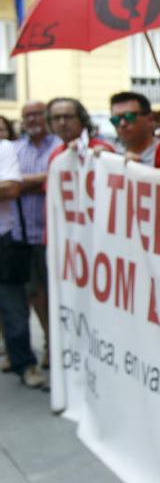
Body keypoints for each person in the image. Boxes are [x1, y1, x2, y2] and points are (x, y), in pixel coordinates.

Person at [12, 102, 62, 370]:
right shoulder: (15, 149)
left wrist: (25, 182)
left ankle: (60, 343)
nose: (32, 119)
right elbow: (11, 183)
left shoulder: (58, 146)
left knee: (58, 292)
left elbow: (60, 175)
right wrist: (43, 178)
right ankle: (49, 343)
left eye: (36, 114)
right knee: (36, 294)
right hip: (25, 235)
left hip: (55, 234)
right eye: (26, 115)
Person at [0, 139, 46, 388]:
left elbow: (10, 189)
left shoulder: (4, 148)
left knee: (13, 307)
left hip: (3, 241)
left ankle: (25, 364)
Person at [46, 97, 116, 165]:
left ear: (82, 119)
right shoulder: (56, 155)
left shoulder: (102, 150)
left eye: (68, 117)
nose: (62, 123)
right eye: (56, 118)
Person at [109, 91, 160, 165]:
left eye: (129, 117)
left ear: (150, 119)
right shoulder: (112, 154)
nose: (122, 124)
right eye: (115, 120)